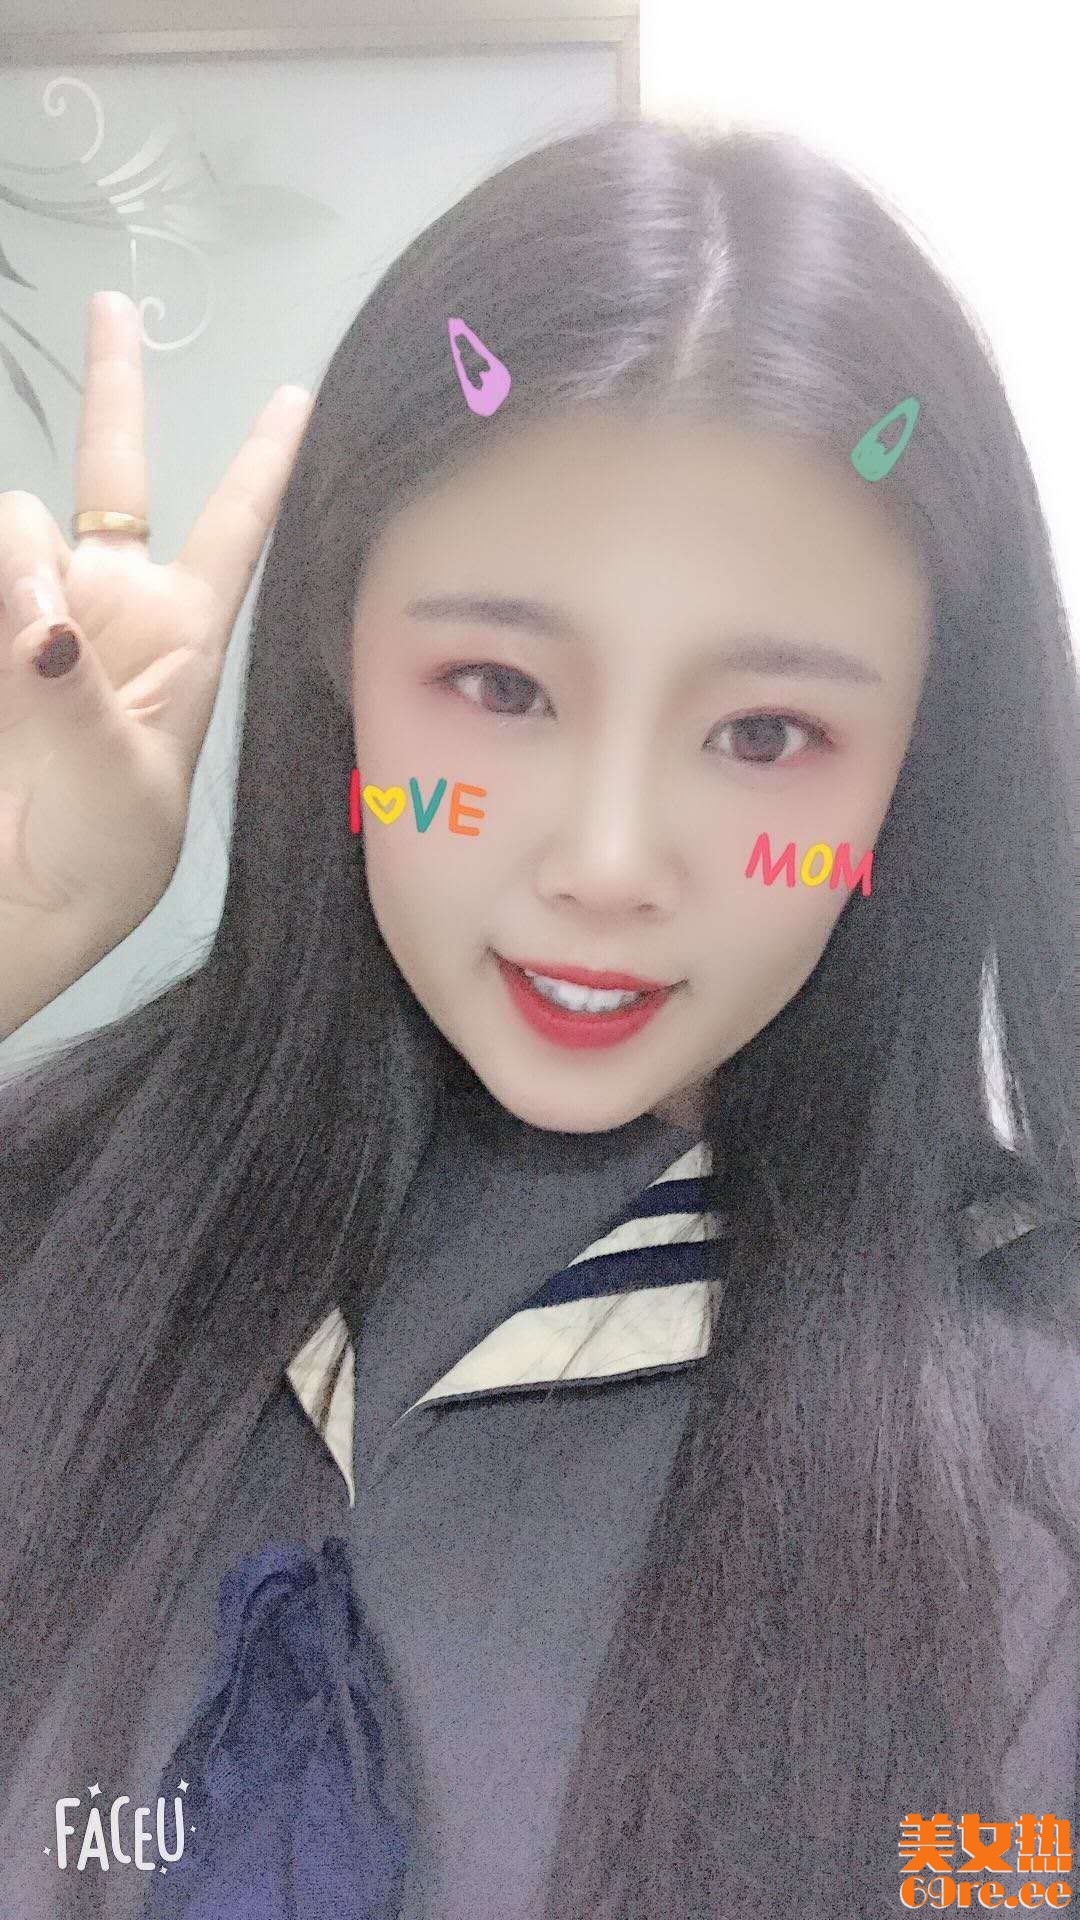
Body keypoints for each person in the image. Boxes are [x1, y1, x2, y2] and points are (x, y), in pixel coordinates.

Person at [0, 116, 1077, 1920]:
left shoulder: (1023, 1467)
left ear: (916, 761)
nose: (607, 862)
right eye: (498, 687)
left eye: (766, 735)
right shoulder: (52, 1232)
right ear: (340, 663)